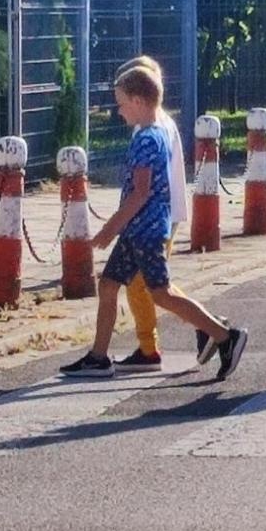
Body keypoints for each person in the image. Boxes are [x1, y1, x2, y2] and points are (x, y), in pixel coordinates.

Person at [61, 66, 248, 382]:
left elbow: (141, 192)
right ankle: (98, 356)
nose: (118, 111)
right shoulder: (155, 132)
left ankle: (223, 335)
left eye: (121, 104)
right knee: (108, 286)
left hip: (144, 232)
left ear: (137, 101)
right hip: (138, 230)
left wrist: (110, 228)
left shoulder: (147, 138)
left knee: (160, 294)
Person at [111, 56, 226, 372]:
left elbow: (148, 184)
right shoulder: (155, 123)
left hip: (156, 218)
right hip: (158, 215)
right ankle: (205, 324)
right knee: (153, 284)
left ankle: (152, 347)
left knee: (145, 286)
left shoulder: (154, 127)